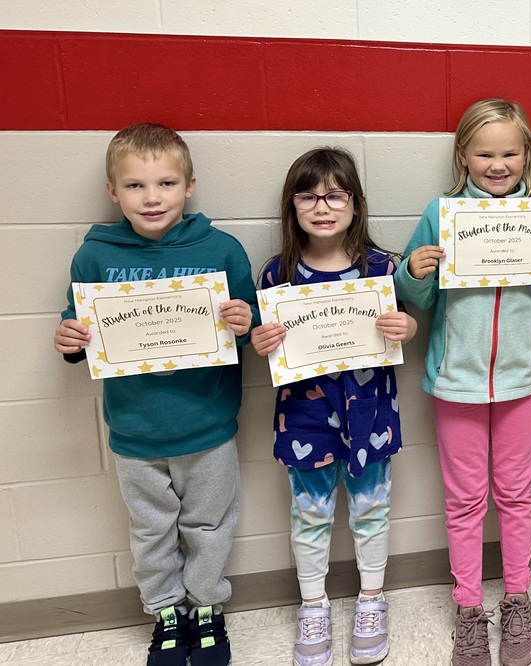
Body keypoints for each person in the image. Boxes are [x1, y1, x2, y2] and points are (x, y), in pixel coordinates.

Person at [53, 123, 256, 666]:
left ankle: (206, 608)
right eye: (135, 185)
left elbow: (254, 325)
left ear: (189, 186)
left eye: (165, 183)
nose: (151, 197)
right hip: (135, 430)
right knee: (151, 531)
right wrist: (70, 339)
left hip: (209, 425)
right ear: (112, 191)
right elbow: (80, 327)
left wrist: (245, 321)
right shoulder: (94, 257)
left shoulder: (221, 249)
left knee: (209, 526)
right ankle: (166, 613)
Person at [395, 98, 531, 666]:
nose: (497, 165)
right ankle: (468, 608)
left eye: (509, 153)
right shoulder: (441, 213)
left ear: (526, 155)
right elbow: (418, 299)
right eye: (484, 154)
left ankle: (518, 600)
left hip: (520, 382)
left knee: (515, 497)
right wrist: (414, 273)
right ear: (463, 155)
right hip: (456, 382)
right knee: (464, 501)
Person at [249, 147, 417, 666]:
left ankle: (372, 599)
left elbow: (405, 323)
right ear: (292, 206)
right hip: (304, 416)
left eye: (335, 196)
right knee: (310, 513)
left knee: (371, 509)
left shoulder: (382, 268)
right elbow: (267, 343)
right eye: (308, 197)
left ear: (355, 203)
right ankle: (313, 606)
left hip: (370, 411)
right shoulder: (277, 274)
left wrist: (406, 327)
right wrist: (261, 341)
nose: (322, 207)